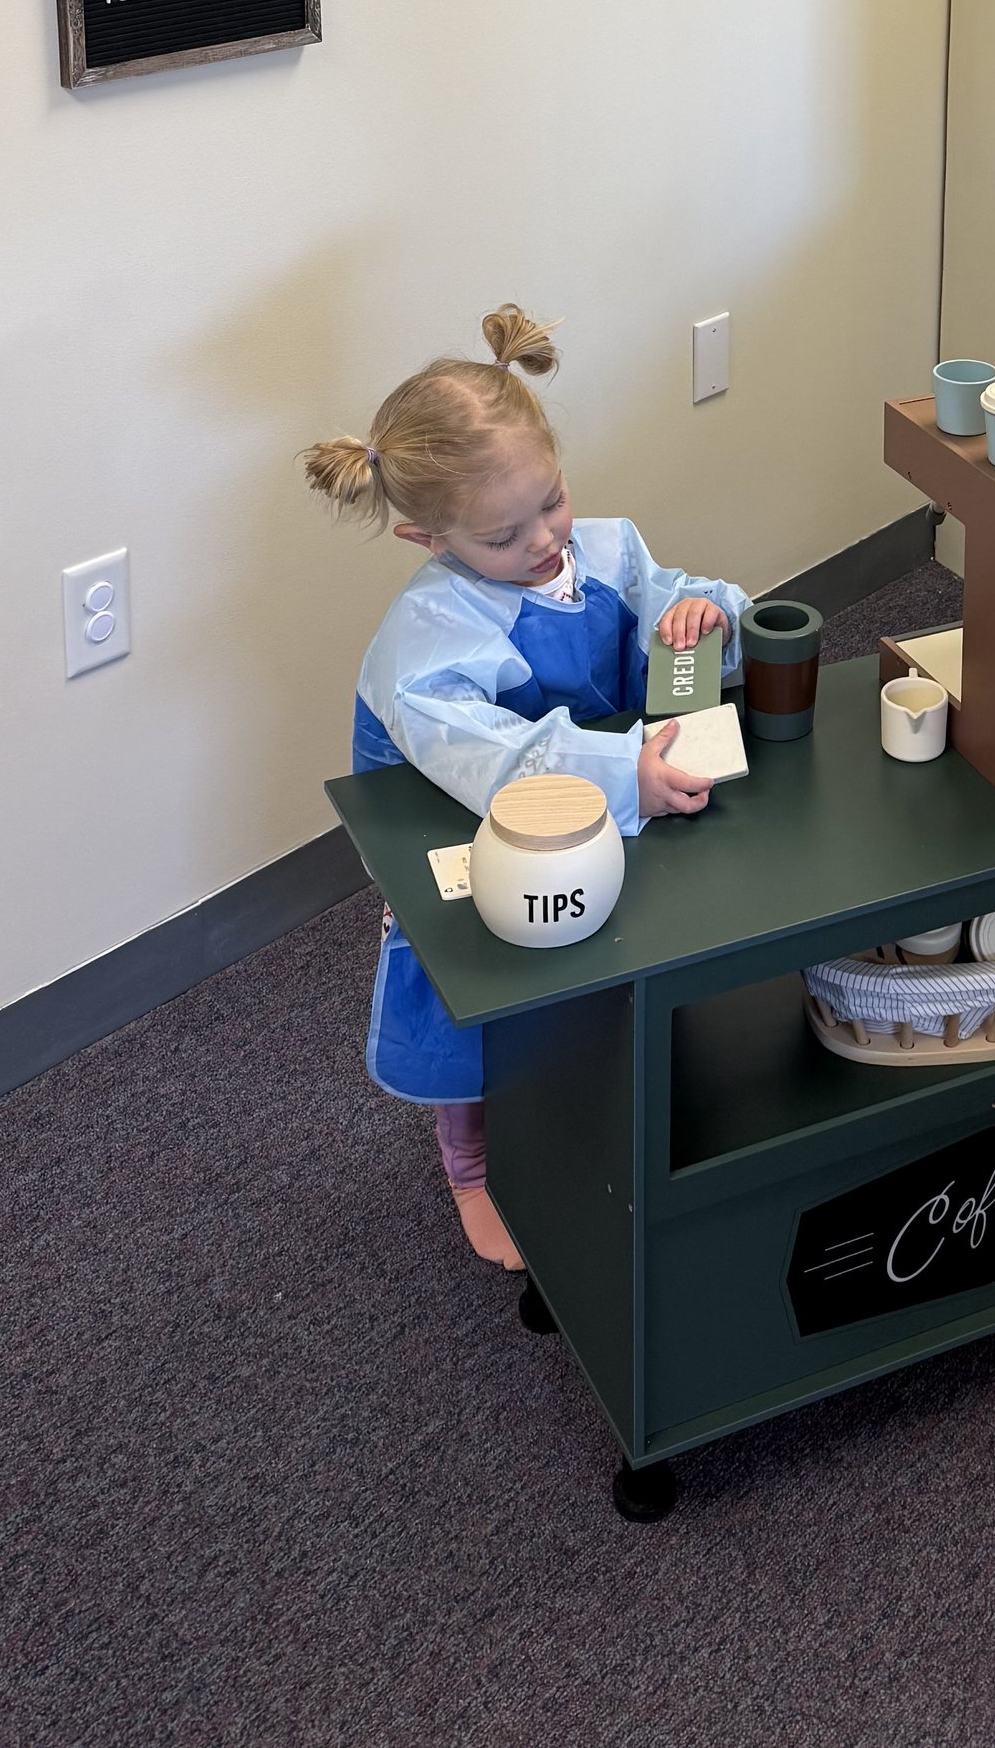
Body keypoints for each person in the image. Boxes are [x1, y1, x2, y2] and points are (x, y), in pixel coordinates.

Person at [301, 304, 745, 1269]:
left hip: (594, 788)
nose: (545, 539)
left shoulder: (599, 549)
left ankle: (592, 1092)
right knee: (482, 986)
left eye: (554, 499)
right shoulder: (429, 640)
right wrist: (622, 769)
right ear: (427, 537)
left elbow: (661, 591)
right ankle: (470, 1163)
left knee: (603, 951)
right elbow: (500, 762)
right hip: (463, 831)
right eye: (505, 535)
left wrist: (700, 614)